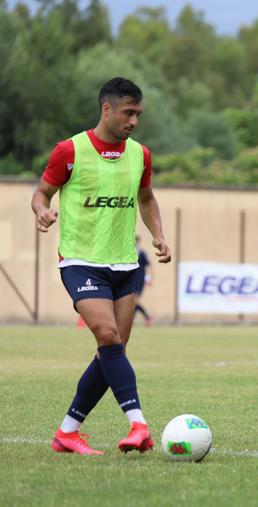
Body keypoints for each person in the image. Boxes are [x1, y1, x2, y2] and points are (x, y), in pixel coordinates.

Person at [31, 77, 171, 455]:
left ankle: (67, 432)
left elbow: (147, 197)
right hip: (80, 263)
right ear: (106, 109)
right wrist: (42, 210)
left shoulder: (140, 154)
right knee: (109, 337)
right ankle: (138, 424)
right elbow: (41, 191)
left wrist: (157, 234)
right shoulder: (69, 150)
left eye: (138, 114)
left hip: (125, 264)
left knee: (112, 351)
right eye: (128, 113)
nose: (134, 121)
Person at [134, 235, 153, 326]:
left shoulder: (142, 253)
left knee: (135, 301)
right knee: (132, 302)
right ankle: (131, 320)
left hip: (140, 280)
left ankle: (147, 317)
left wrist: (148, 278)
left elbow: (148, 266)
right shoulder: (129, 253)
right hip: (131, 280)